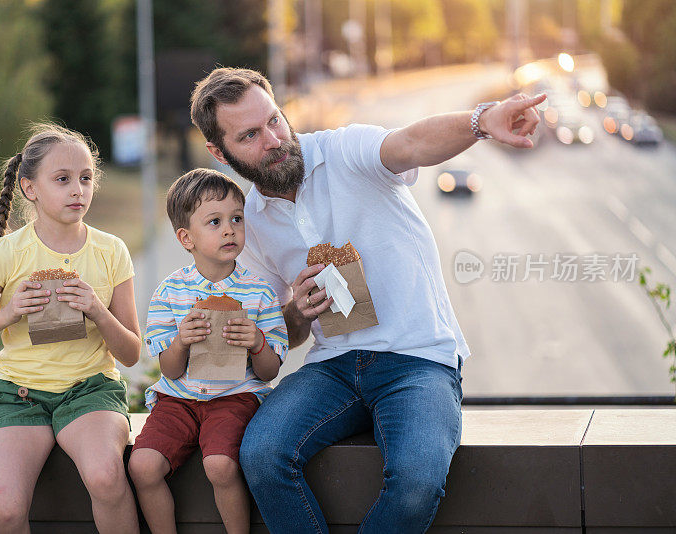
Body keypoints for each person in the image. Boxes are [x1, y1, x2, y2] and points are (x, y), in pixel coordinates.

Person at [189, 67, 546, 533]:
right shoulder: (249, 223)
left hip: (419, 358)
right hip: (333, 365)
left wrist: (481, 120)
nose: (274, 139)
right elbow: (280, 339)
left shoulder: (343, 150)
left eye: (275, 120)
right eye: (250, 135)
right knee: (260, 454)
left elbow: (411, 143)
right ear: (219, 152)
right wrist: (295, 311)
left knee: (416, 480)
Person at [0, 123, 140, 534]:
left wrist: (99, 313)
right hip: (18, 395)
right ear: (30, 188)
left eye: (85, 179)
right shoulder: (7, 252)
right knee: (7, 507)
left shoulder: (111, 250)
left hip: (90, 389)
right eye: (63, 180)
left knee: (106, 476)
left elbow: (132, 352)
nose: (77, 190)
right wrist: (9, 312)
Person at [127, 168, 288, 534]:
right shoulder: (169, 293)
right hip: (177, 400)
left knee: (220, 466)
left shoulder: (259, 293)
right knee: (142, 467)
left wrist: (258, 342)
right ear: (187, 237)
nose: (229, 229)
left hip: (234, 396)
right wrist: (181, 340)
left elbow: (269, 371)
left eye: (236, 219)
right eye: (214, 222)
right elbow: (168, 370)